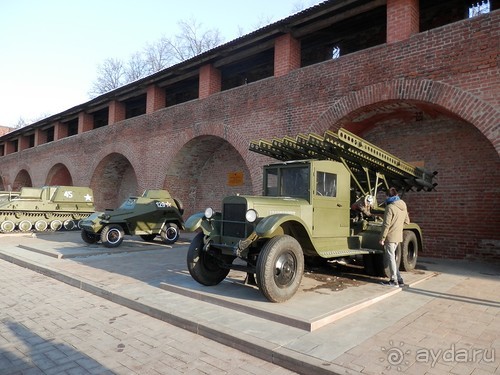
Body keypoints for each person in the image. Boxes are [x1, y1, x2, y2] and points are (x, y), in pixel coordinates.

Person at [379, 187, 410, 287]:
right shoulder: (403, 205)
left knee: (391, 258)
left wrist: (382, 238)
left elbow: (386, 224)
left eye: (386, 196)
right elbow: (407, 221)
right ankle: (399, 279)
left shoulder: (390, 207)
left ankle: (393, 280)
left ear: (388, 196)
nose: (385, 197)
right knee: (392, 258)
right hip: (398, 237)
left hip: (390, 237)